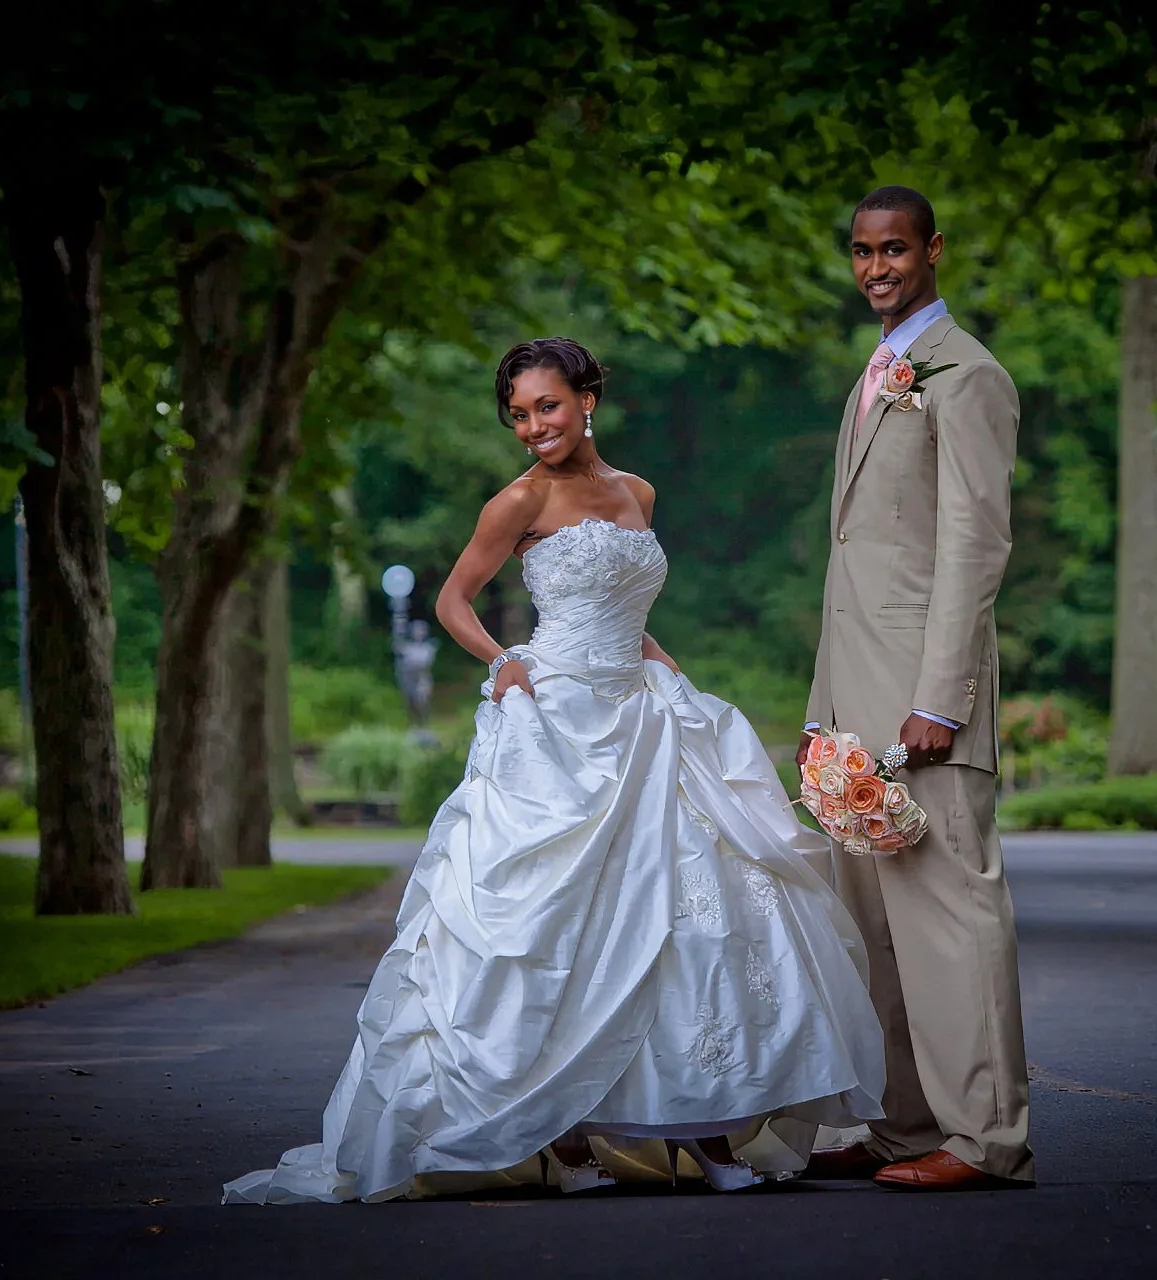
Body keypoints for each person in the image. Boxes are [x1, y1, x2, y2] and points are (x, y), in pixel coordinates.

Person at [225, 337, 885, 1205]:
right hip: (560, 719)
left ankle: (710, 1128)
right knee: (562, 924)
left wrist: (679, 685)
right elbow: (452, 600)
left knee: (694, 922)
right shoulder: (519, 501)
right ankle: (563, 1139)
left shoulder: (637, 492)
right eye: (519, 414)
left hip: (644, 713)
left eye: (547, 406)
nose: (533, 426)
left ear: (587, 401)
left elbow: (628, 614)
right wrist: (502, 661)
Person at [800, 186, 1036, 1191]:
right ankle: (904, 1126)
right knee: (878, 927)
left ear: (933, 249)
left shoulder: (967, 374)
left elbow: (975, 543)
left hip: (925, 702)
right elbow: (860, 555)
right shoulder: (882, 371)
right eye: (861, 251)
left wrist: (941, 695)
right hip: (855, 697)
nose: (876, 268)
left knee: (951, 916)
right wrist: (823, 712)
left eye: (894, 249)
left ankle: (986, 1137)